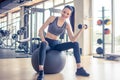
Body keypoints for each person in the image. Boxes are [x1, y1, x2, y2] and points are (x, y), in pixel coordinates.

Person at [37, 5, 90, 80]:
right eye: (64, 12)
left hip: (57, 44)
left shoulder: (67, 25)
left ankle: (79, 69)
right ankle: (41, 71)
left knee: (76, 44)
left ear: (69, 15)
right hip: (47, 42)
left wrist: (81, 30)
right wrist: (43, 39)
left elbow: (72, 39)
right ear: (62, 11)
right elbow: (40, 30)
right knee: (43, 44)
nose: (65, 14)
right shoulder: (52, 18)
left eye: (67, 14)